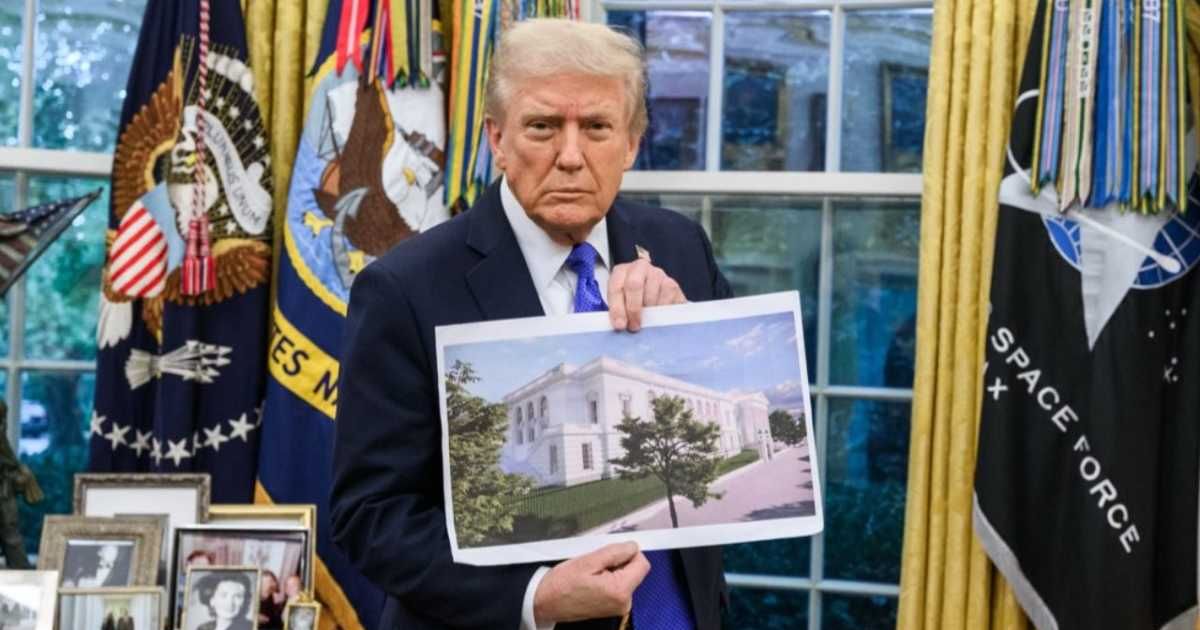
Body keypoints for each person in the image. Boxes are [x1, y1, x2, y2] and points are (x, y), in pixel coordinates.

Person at [330, 18, 730, 630]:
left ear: (631, 143)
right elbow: (371, 515)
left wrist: (689, 341)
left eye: (596, 127)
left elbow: (726, 417)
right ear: (497, 138)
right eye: (542, 126)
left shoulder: (681, 248)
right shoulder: (403, 289)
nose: (570, 156)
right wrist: (533, 596)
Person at [0, 400, 40, 569]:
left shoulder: (3, 444)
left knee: (12, 537)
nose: (2, 426)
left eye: (2, 420)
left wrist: (19, 475)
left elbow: (10, 463)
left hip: (4, 495)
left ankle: (24, 578)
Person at [66, 543, 131, 587]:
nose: (112, 553)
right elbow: (75, 581)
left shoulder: (121, 574)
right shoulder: (86, 567)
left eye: (114, 551)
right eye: (109, 551)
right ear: (100, 552)